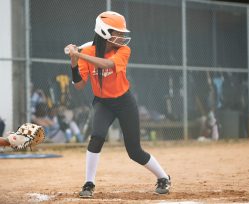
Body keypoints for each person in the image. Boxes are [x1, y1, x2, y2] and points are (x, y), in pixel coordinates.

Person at [65, 11, 171, 198]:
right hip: (102, 103)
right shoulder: (87, 52)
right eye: (118, 33)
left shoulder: (123, 51)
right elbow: (80, 85)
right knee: (96, 137)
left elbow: (107, 65)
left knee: (134, 151)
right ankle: (89, 183)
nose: (122, 37)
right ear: (104, 32)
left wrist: (80, 55)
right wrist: (74, 62)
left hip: (124, 101)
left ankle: (163, 177)